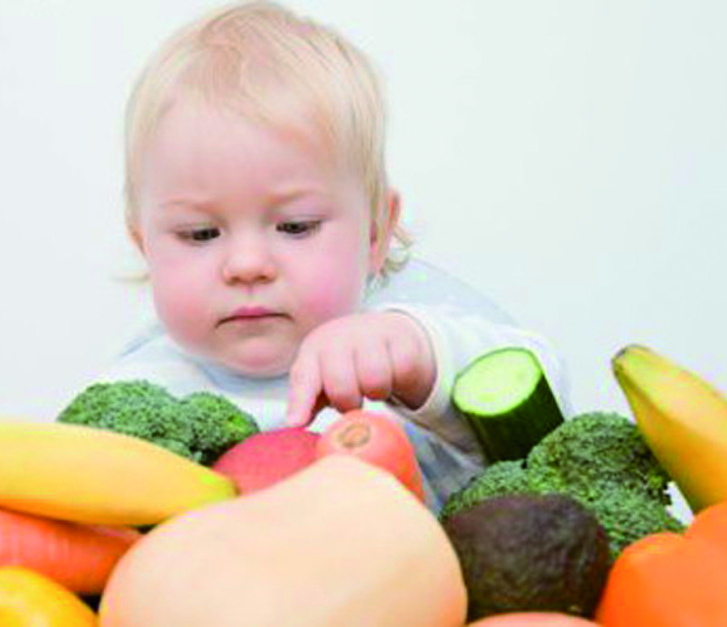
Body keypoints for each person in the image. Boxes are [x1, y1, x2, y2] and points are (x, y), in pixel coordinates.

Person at [100, 0, 573, 511]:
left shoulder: (400, 350)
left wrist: (420, 361)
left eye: (295, 226)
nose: (246, 265)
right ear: (143, 243)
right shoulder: (135, 396)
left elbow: (555, 420)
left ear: (376, 233)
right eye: (200, 234)